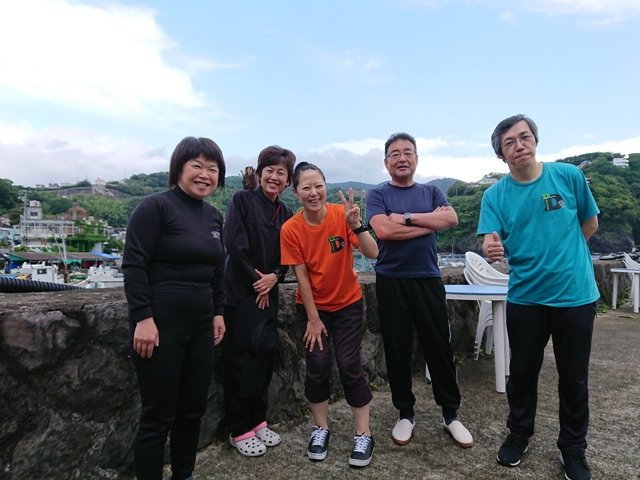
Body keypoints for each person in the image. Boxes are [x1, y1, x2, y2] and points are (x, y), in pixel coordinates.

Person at [479, 114, 599, 480]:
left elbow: (590, 223)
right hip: (526, 298)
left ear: (535, 140)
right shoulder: (494, 195)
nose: (519, 145)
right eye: (509, 142)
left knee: (574, 377)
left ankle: (573, 448)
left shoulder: (568, 176)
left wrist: (565, 258)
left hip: (575, 296)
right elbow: (489, 241)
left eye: (524, 137)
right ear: (501, 154)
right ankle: (519, 434)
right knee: (522, 373)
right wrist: (490, 248)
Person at [122, 136, 227, 480]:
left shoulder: (214, 217)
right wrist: (143, 318)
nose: (204, 175)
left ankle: (184, 474)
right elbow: (134, 265)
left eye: (212, 169)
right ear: (178, 168)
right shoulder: (155, 208)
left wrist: (218, 311)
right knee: (157, 416)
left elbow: (217, 271)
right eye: (196, 166)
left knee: (192, 410)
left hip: (200, 326)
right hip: (160, 325)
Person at [365, 132, 474, 450]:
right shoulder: (377, 194)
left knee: (439, 345)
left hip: (427, 278)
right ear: (386, 162)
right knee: (397, 348)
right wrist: (429, 224)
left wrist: (408, 218)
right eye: (395, 153)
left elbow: (451, 218)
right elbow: (383, 230)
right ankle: (405, 413)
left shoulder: (431, 191)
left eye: (408, 152)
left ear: (416, 158)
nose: (402, 158)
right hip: (391, 280)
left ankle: (450, 414)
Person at [280, 162, 379, 467]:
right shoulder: (291, 229)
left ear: (325, 186)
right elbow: (301, 276)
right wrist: (313, 318)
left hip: (348, 304)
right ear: (296, 192)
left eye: (318, 185)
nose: (314, 192)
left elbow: (373, 252)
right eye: (306, 187)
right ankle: (320, 428)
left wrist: (357, 225)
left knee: (350, 364)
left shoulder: (341, 215)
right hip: (313, 308)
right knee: (317, 365)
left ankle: (363, 433)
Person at [222, 146, 296, 457]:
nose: (275, 177)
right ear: (260, 171)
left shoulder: (286, 213)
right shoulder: (242, 201)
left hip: (269, 292)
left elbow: (288, 256)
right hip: (240, 292)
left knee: (263, 356)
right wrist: (259, 282)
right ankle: (238, 429)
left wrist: (274, 278)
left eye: (282, 172)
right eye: (270, 170)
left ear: (288, 180)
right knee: (240, 360)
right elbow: (234, 246)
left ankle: (258, 420)